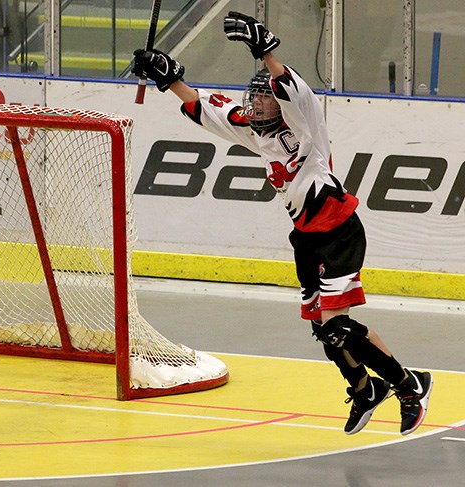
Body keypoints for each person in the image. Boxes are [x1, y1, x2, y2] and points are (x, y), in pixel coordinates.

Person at [131, 11, 433, 435]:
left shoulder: (306, 128)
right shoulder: (255, 131)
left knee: (338, 327)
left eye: (264, 98)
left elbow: (297, 91)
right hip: (307, 239)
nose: (255, 104)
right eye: (252, 98)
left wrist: (266, 50)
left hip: (339, 233)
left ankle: (408, 384)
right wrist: (168, 77)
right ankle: (365, 389)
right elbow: (206, 108)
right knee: (322, 329)